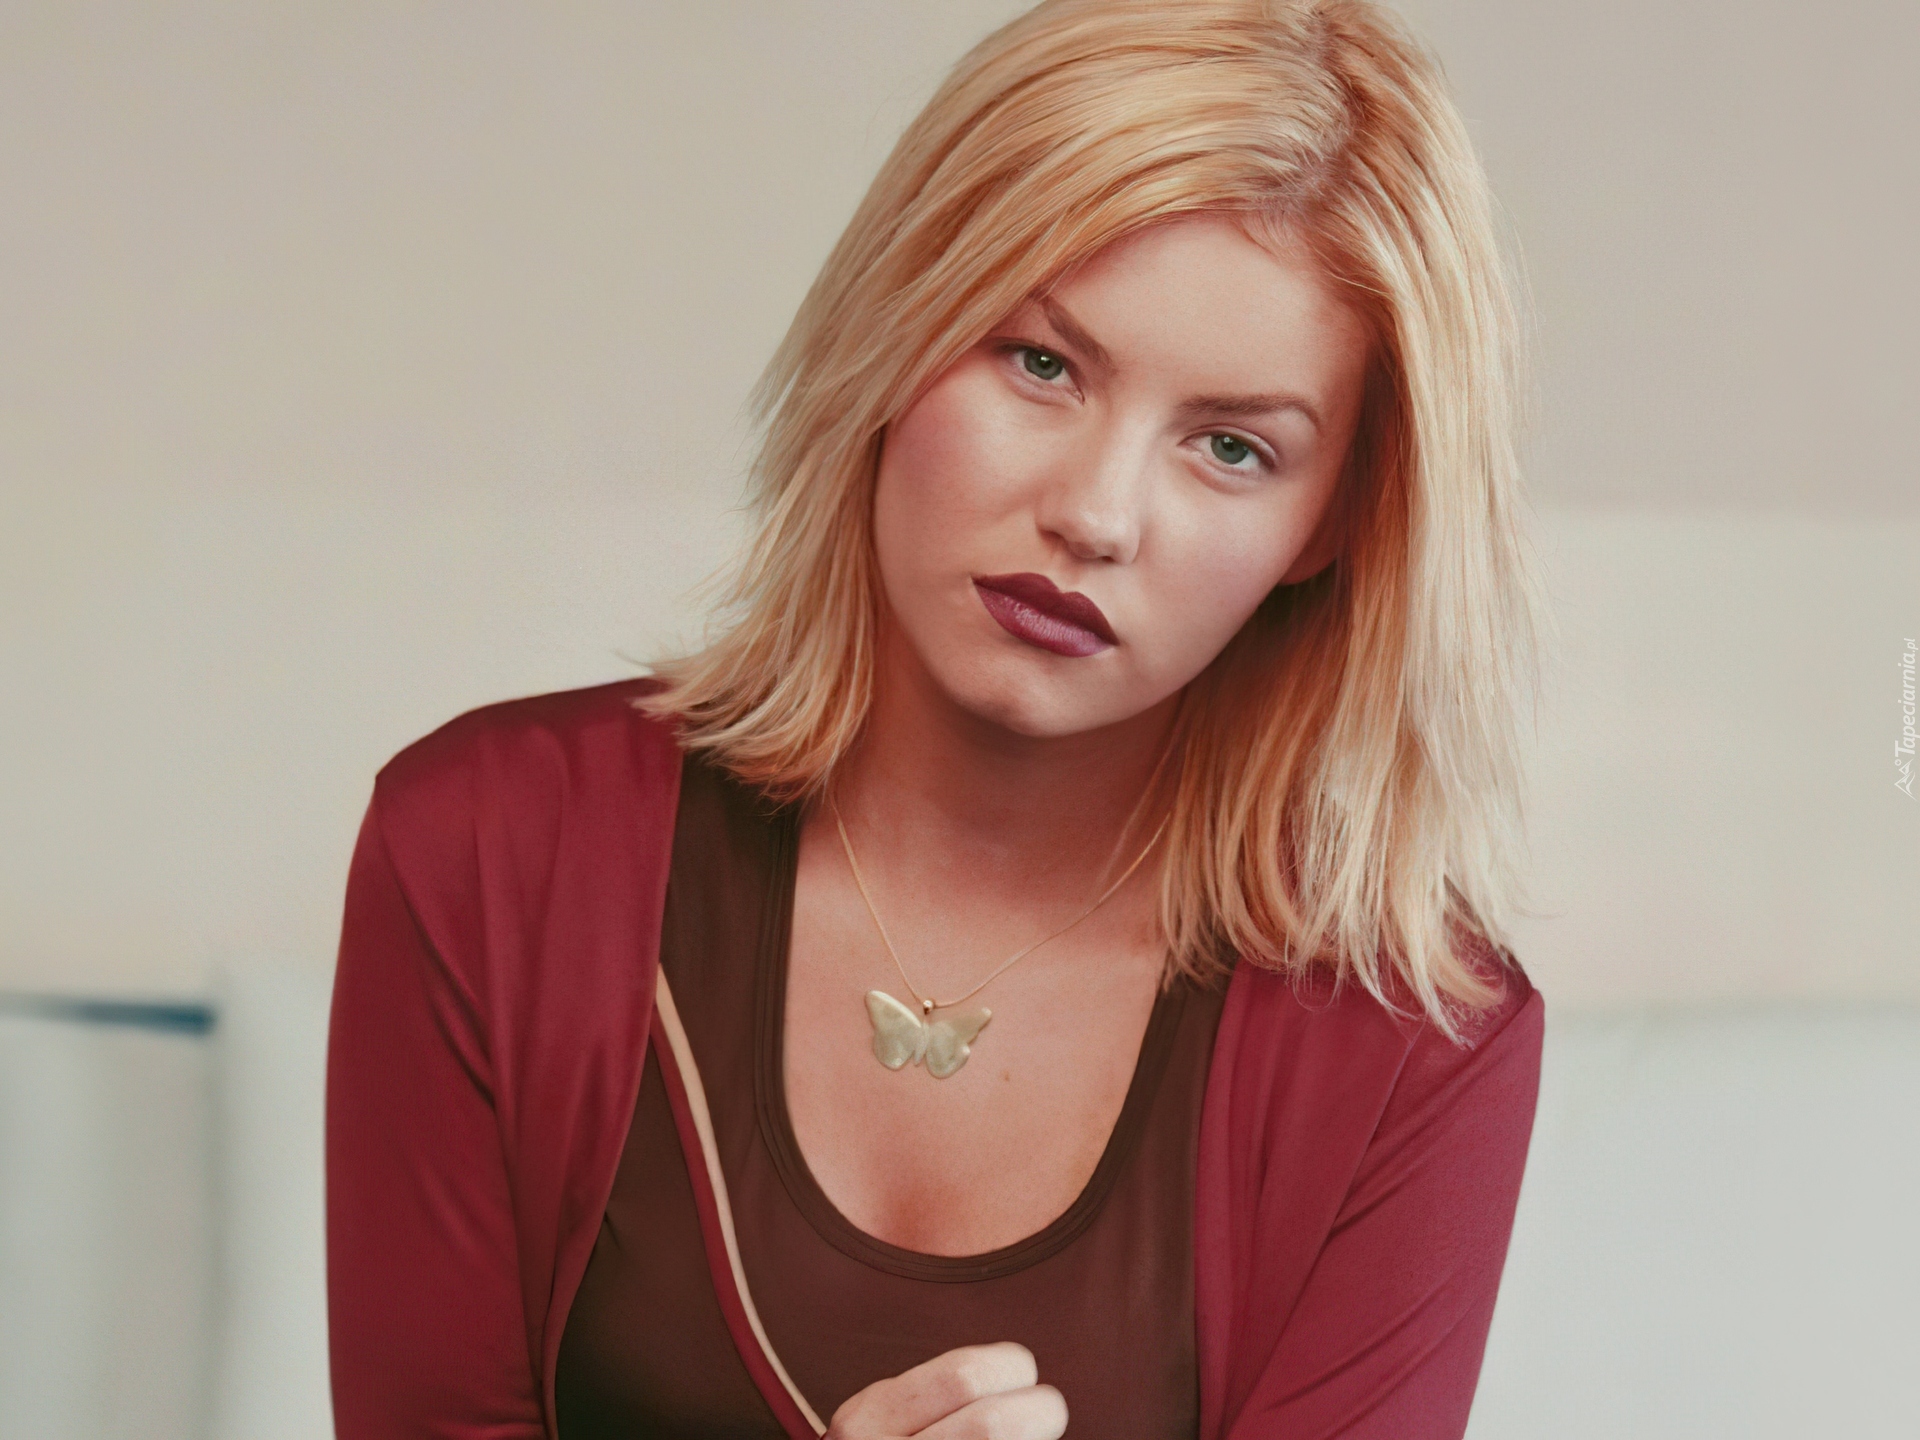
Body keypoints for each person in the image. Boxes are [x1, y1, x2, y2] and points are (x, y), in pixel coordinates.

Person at [325, 1, 1546, 1437]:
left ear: (1333, 524)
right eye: (1042, 364)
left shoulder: (1412, 1040)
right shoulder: (487, 850)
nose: (1094, 514)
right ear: (898, 327)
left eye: (1231, 447)